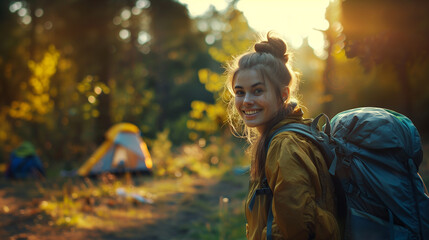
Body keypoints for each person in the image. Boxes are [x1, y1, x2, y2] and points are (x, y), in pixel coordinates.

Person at [225, 33, 340, 239]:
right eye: (240, 92)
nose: (246, 101)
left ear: (284, 95)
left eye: (257, 91)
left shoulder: (285, 144)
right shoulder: (285, 135)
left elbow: (294, 229)